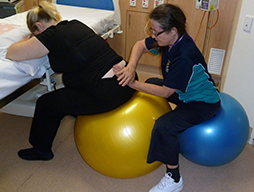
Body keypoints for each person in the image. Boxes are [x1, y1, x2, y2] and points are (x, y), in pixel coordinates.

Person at [6, 1, 136, 161]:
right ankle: (76, 111)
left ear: (38, 26)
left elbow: (12, 53)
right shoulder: (76, 24)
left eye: (35, 34)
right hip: (128, 81)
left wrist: (26, 40)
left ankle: (41, 150)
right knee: (69, 79)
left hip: (109, 92)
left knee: (46, 103)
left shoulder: (50, 35)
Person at [113, 4, 221, 192]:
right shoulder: (169, 41)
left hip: (202, 103)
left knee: (164, 126)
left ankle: (174, 177)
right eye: (151, 31)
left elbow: (165, 92)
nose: (153, 36)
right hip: (185, 94)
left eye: (156, 32)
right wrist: (131, 67)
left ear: (173, 30)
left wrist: (133, 83)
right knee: (154, 80)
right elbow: (139, 45)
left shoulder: (184, 55)